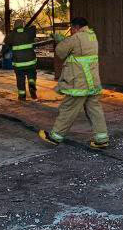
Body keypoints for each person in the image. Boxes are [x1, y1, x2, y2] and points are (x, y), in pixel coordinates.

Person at [38, 17, 108, 149]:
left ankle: (55, 137)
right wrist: (65, 40)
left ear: (76, 28)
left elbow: (61, 52)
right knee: (94, 110)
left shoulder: (76, 38)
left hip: (79, 83)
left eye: (72, 29)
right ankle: (101, 139)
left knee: (68, 109)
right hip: (92, 82)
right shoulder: (93, 37)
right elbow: (78, 49)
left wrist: (60, 40)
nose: (72, 31)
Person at [2, 20, 38, 100]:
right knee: (31, 77)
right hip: (30, 62)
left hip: (19, 64)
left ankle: (22, 96)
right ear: (23, 25)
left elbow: (6, 42)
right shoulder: (28, 32)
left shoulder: (12, 35)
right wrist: (25, 28)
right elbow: (34, 27)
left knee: (20, 79)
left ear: (14, 26)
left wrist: (13, 32)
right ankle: (32, 89)